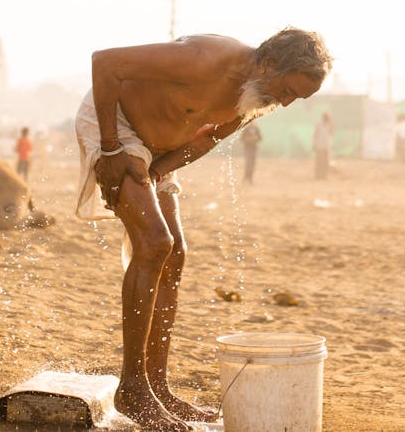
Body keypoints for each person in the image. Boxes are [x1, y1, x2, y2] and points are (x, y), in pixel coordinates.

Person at [74, 28, 332, 431]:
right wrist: (109, 148)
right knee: (156, 243)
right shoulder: (205, 59)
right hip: (117, 128)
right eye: (287, 90)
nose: (285, 102)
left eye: (295, 99)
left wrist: (160, 170)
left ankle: (157, 387)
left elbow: (210, 136)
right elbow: (104, 62)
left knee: (175, 252)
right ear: (267, 64)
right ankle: (133, 387)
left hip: (159, 151)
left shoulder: (257, 97)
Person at [312, 112, 333, 180]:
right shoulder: (319, 125)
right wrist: (314, 144)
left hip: (326, 146)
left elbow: (331, 133)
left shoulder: (330, 125)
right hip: (319, 146)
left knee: (325, 162)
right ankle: (318, 175)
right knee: (319, 162)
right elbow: (315, 134)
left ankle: (324, 176)